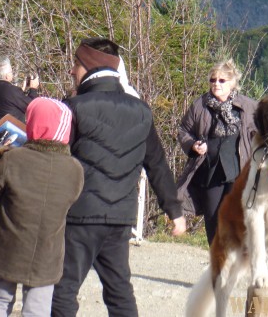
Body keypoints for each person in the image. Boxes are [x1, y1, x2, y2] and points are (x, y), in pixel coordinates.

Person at [51, 37, 186, 317]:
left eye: (75, 63)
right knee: (119, 292)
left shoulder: (73, 108)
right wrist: (175, 210)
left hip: (80, 216)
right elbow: (157, 164)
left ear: (88, 66)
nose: (71, 71)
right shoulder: (141, 111)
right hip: (120, 218)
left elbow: (56, 163)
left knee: (63, 290)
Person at [0, 97, 84, 316]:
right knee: (38, 309)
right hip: (47, 250)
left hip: (7, 246)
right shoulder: (74, 169)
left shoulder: (13, 159)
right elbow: (71, 200)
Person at [177, 60, 257, 245]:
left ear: (232, 83)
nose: (216, 84)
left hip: (239, 171)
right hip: (210, 171)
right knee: (213, 217)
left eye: (222, 80)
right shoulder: (201, 105)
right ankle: (217, 263)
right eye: (213, 80)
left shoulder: (248, 106)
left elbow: (263, 129)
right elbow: (184, 130)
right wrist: (193, 145)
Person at [0, 58, 39, 125]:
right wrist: (33, 89)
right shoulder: (11, 91)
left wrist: (20, 92)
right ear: (7, 76)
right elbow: (32, 105)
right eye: (11, 72)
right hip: (11, 132)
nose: (12, 74)